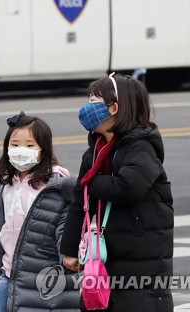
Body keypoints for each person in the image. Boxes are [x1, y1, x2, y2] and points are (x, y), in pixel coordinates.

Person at [60, 73, 174, 311]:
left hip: (141, 262)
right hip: (105, 259)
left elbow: (128, 186)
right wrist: (69, 250)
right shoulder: (95, 151)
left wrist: (92, 182)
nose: (86, 108)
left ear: (114, 108)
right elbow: (79, 203)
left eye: (93, 101)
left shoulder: (141, 146)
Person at [0, 112, 80, 312]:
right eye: (15, 145)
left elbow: (63, 229)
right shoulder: (5, 187)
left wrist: (69, 256)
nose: (21, 151)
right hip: (8, 275)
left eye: (29, 145)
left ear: (43, 150)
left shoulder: (54, 188)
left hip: (42, 280)